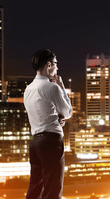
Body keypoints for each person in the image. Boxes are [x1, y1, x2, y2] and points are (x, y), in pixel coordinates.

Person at [24, 49, 72, 199]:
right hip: (51, 142)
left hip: (36, 143)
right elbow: (68, 112)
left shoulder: (28, 89)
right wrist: (61, 86)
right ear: (48, 64)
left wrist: (55, 119)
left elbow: (40, 112)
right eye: (56, 64)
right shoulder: (52, 87)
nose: (57, 68)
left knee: (35, 188)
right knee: (52, 189)